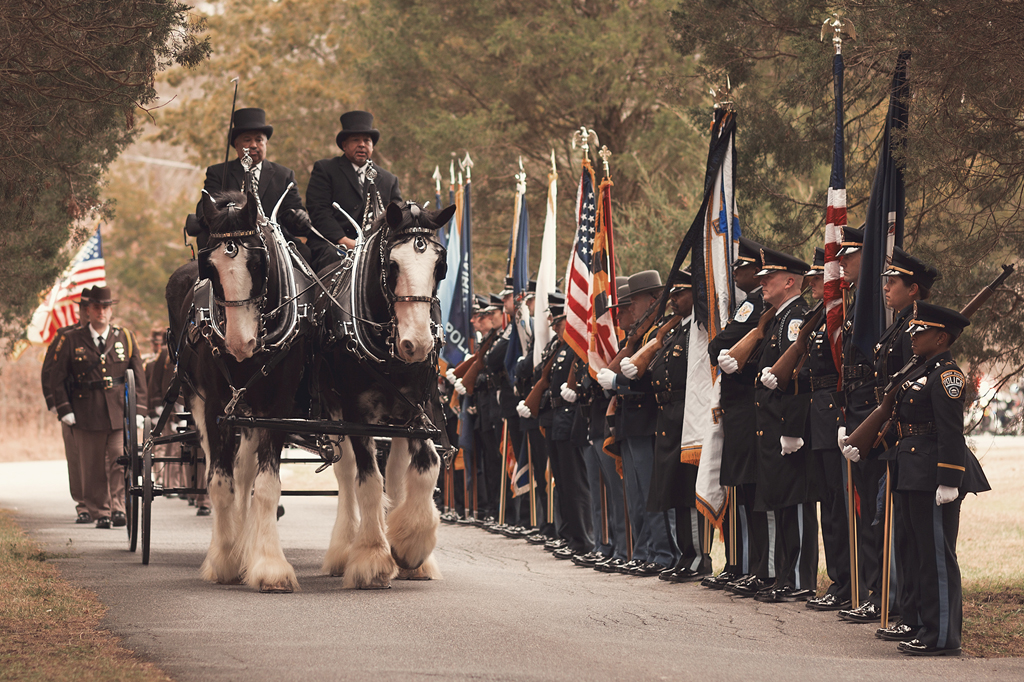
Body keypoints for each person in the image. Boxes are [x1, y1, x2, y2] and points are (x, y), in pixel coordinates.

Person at [839, 301, 989, 656]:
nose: (913, 336)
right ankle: (922, 624)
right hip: (910, 469)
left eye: (920, 331)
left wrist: (950, 479)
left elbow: (951, 431)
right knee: (917, 552)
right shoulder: (918, 372)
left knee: (936, 555)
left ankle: (942, 636)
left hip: (934, 474)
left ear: (941, 337)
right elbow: (901, 423)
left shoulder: (947, 376)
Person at [750, 247, 821, 603]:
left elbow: (796, 378)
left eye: (769, 278)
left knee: (796, 501)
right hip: (771, 425)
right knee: (781, 502)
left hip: (785, 425)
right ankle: (784, 573)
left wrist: (792, 428)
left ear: (790, 281)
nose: (762, 283)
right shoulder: (777, 318)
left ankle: (799, 577)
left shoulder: (795, 319)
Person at [597, 270, 678, 577]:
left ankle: (661, 552)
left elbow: (651, 379)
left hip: (648, 419)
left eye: (634, 301)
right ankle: (645, 550)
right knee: (636, 492)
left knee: (650, 492)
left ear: (653, 300)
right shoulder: (640, 335)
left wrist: (619, 381)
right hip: (631, 421)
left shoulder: (659, 333)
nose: (629, 309)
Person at [52, 287, 146, 529]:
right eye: (96, 307)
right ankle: (100, 511)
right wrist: (65, 409)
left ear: (111, 310)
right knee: (92, 466)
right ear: (88, 311)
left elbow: (139, 376)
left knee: (119, 459)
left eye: (105, 307)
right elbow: (57, 377)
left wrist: (139, 411)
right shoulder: (71, 339)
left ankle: (118, 508)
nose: (101, 312)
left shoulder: (124, 336)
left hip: (117, 412)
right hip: (85, 411)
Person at [704, 237, 768, 592]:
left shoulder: (757, 305)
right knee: (740, 489)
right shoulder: (751, 306)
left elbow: (721, 346)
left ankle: (758, 566)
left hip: (748, 407)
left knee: (752, 490)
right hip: (739, 408)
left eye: (739, 267)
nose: (734, 273)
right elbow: (719, 347)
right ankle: (741, 562)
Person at [189, 108, 313, 261]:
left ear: (266, 143)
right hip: (230, 239)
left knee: (306, 253)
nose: (254, 145)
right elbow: (203, 209)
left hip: (274, 241)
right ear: (236, 144)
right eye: (247, 140)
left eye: (259, 140)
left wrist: (299, 216)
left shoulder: (284, 175)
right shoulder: (218, 172)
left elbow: (292, 213)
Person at [305, 111, 403, 270]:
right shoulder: (325, 169)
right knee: (331, 257)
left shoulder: (389, 179)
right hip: (332, 243)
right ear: (344, 145)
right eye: (355, 140)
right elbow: (319, 210)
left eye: (367, 140)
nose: (362, 145)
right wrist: (345, 241)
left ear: (372, 146)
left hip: (374, 246)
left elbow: (396, 218)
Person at [41, 288, 92, 523]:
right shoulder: (65, 336)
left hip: (104, 406)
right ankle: (83, 504)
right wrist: (58, 405)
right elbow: (50, 372)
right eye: (85, 308)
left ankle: (107, 503)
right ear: (81, 311)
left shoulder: (112, 334)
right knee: (77, 457)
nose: (90, 313)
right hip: (73, 405)